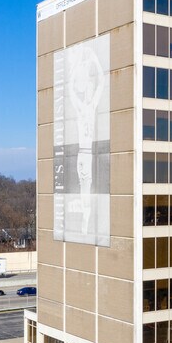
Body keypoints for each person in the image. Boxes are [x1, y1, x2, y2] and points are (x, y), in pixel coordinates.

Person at [68, 45, 105, 236]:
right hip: (81, 154)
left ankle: (86, 220)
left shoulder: (89, 109)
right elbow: (71, 90)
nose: (89, 92)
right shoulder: (81, 109)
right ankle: (84, 217)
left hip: (88, 153)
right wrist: (77, 68)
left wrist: (95, 62)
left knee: (86, 187)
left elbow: (101, 84)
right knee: (83, 185)